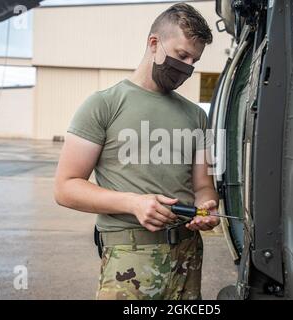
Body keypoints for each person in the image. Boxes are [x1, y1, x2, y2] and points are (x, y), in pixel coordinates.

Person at [54, 2, 220, 300]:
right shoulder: (103, 105)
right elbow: (66, 187)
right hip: (129, 256)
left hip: (187, 255)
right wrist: (133, 203)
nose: (187, 67)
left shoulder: (196, 115)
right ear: (154, 43)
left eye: (193, 60)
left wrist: (207, 208)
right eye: (182, 55)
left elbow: (204, 186)